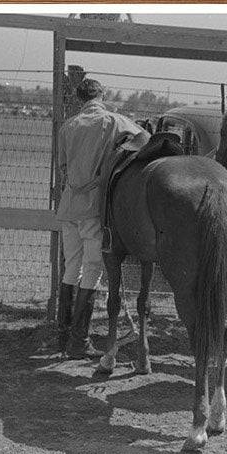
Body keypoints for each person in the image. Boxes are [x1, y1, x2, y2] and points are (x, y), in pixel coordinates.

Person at [54, 77, 144, 358]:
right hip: (94, 207)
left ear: (80, 99)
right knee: (92, 269)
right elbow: (144, 138)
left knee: (72, 267)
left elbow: (64, 166)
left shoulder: (67, 126)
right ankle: (79, 342)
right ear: (101, 96)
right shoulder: (114, 122)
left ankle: (64, 337)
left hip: (69, 206)